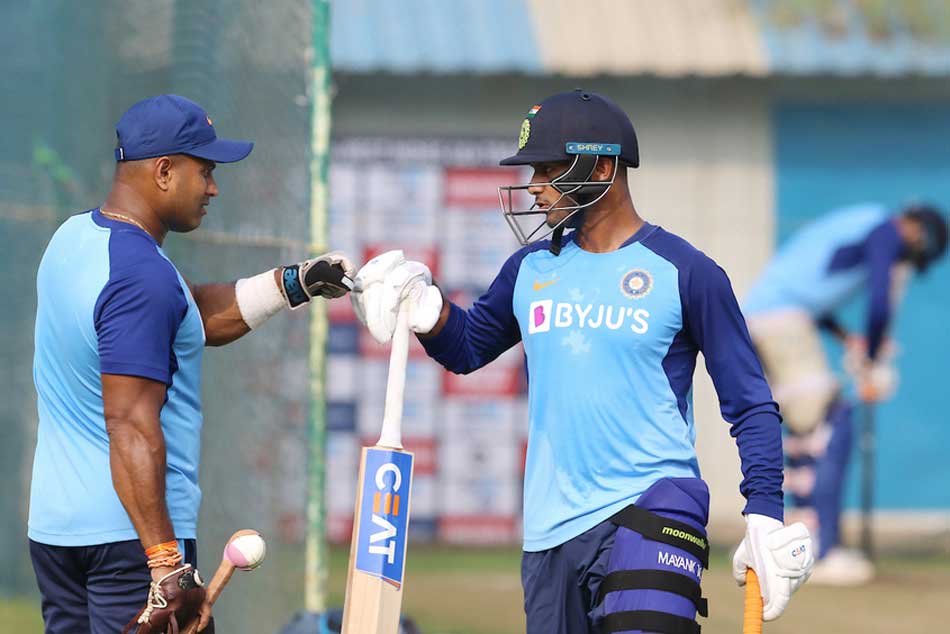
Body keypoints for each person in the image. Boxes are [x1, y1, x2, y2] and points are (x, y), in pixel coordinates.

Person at [351, 90, 813, 634]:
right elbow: (468, 347)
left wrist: (764, 510)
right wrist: (427, 310)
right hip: (550, 533)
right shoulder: (529, 269)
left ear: (602, 167)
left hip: (653, 507)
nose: (534, 185)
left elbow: (750, 403)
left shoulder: (688, 272)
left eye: (549, 169)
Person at [28, 94, 354, 633]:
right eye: (204, 170)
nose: (213, 187)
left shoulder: (75, 237)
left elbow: (186, 314)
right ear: (163, 171)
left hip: (57, 532)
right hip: (131, 543)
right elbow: (130, 424)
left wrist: (294, 283)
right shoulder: (141, 276)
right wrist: (165, 565)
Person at [743, 202, 947, 585]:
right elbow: (879, 300)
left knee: (805, 433)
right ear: (917, 232)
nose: (905, 260)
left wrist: (849, 340)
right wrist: (873, 355)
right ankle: (822, 552)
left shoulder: (862, 222)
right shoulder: (885, 229)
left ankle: (797, 550)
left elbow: (812, 294)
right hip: (782, 320)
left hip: (770, 317)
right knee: (831, 422)